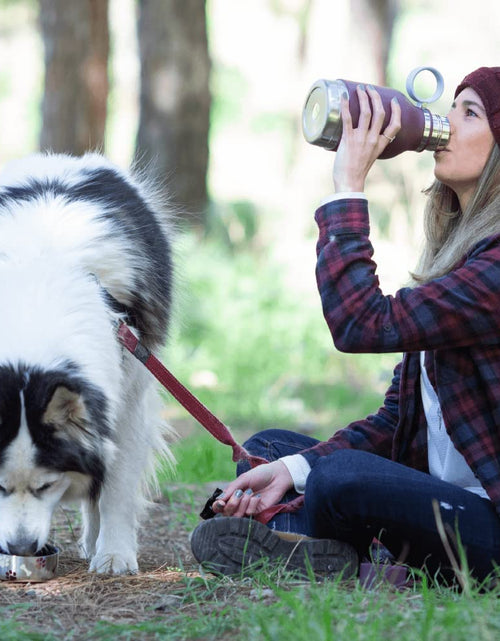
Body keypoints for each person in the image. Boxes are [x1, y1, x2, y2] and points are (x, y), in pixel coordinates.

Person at [190, 66, 500, 583]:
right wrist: (290, 470)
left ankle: (346, 551)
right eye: (453, 106)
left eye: (470, 113)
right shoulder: (459, 261)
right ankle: (334, 550)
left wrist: (349, 187)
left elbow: (360, 324)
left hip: (486, 517)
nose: (445, 122)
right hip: (439, 498)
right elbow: (393, 423)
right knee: (267, 451)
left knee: (340, 477)